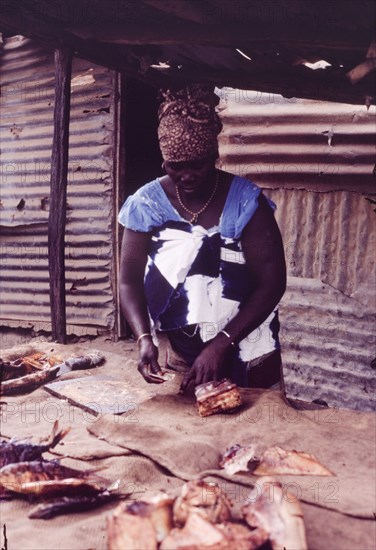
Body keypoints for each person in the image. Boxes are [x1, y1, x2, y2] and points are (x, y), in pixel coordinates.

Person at [118, 84, 286, 393]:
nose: (187, 175)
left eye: (198, 164)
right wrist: (144, 338)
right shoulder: (146, 205)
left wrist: (221, 345)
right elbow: (128, 281)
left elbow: (272, 283)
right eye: (176, 166)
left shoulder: (246, 203)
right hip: (180, 354)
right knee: (185, 434)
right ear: (163, 161)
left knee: (258, 432)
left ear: (214, 154)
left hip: (250, 350)